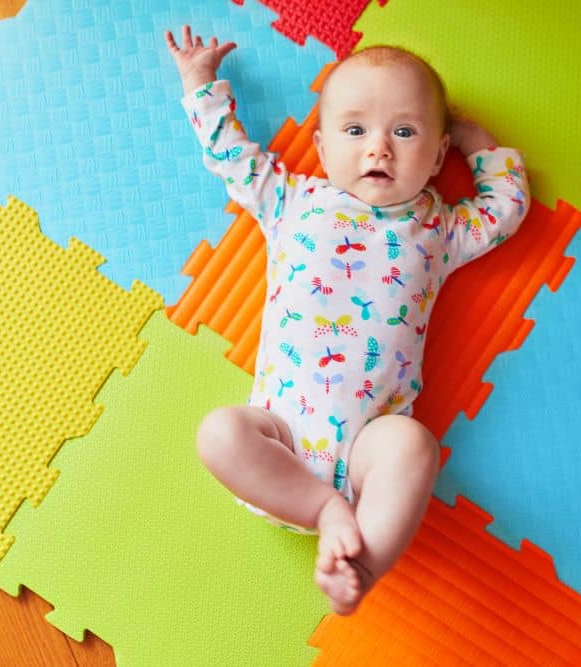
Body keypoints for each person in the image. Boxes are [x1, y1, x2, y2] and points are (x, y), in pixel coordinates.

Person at [166, 25, 530, 615]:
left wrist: (472, 137)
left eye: (405, 132)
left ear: (437, 155)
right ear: (322, 144)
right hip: (276, 443)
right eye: (355, 130)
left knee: (413, 445)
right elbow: (229, 156)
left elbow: (505, 205)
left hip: (370, 457)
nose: (379, 148)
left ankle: (361, 563)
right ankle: (322, 511)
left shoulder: (439, 230)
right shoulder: (290, 201)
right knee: (218, 432)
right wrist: (198, 81)